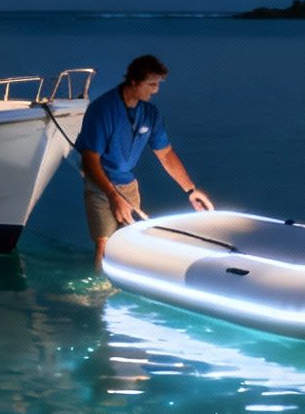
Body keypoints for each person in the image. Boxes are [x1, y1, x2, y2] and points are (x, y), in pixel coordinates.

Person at [76, 54, 212, 268]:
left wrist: (190, 190)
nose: (156, 89)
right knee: (105, 243)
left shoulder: (150, 113)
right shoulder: (102, 110)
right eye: (152, 84)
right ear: (134, 81)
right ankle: (98, 291)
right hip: (100, 185)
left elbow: (165, 154)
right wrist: (112, 195)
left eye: (158, 84)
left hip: (128, 184)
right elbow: (89, 159)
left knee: (128, 242)